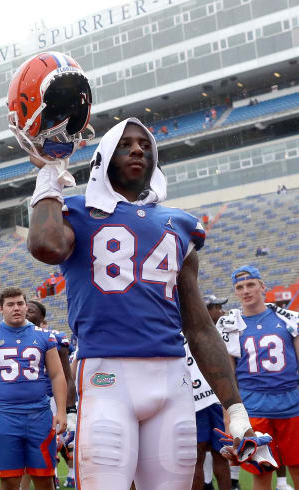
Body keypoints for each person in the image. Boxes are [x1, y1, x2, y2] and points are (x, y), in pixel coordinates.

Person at [27, 117, 261, 489]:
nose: (138, 149)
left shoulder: (178, 224)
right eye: (125, 144)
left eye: (145, 145)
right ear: (103, 157)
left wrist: (235, 409)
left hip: (172, 378)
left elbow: (199, 326)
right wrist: (49, 177)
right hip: (107, 377)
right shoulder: (76, 213)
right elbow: (45, 245)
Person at [0, 287, 67, 489]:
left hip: (39, 415)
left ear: (26, 305)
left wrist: (61, 411)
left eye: (20, 303)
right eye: (10, 304)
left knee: (44, 478)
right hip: (4, 416)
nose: (16, 308)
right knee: (9, 480)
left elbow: (57, 375)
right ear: (1, 309)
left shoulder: (45, 336)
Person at [217, 265, 299, 490]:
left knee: (298, 469)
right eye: (239, 287)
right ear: (235, 292)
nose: (245, 291)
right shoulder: (230, 326)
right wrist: (229, 418)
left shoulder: (289, 319)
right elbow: (227, 377)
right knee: (261, 473)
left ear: (263, 287)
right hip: (253, 409)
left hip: (292, 406)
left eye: (250, 284)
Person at [26, 300, 76, 489]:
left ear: (42, 317)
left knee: (65, 442)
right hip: (30, 400)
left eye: (31, 311)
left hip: (54, 398)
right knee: (39, 444)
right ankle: (51, 476)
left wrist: (69, 409)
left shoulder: (54, 337)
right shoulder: (12, 337)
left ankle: (71, 474)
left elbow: (67, 376)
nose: (26, 313)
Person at [186, 295, 232, 490]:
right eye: (216, 307)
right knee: (199, 457)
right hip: (200, 403)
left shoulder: (186, 330)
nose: (220, 311)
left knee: (220, 454)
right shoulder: (201, 331)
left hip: (209, 401)